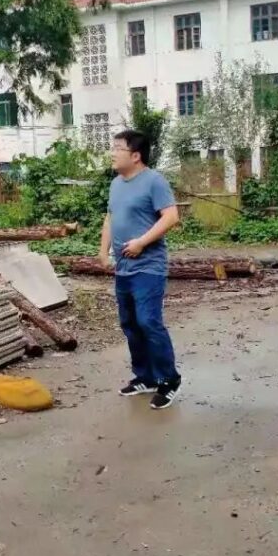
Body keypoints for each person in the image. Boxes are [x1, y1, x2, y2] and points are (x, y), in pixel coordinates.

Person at [98, 129, 182, 410]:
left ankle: (169, 380)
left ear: (135, 155)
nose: (112, 152)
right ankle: (144, 377)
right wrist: (103, 251)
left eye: (117, 148)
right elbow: (110, 218)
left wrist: (142, 242)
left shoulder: (154, 181)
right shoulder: (116, 184)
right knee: (130, 324)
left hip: (148, 266)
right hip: (123, 268)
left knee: (149, 322)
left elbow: (171, 217)